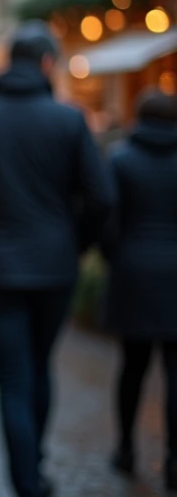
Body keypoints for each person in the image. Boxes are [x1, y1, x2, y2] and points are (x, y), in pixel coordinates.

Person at [0, 20, 113, 497]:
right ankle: (34, 467)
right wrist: (78, 242)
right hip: (55, 261)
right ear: (49, 63)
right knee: (40, 365)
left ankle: (25, 481)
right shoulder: (70, 119)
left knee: (13, 375)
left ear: (9, 61)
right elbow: (101, 198)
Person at [101, 89, 177, 489]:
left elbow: (108, 219)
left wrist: (119, 256)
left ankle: (127, 448)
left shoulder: (122, 158)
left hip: (134, 271)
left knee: (132, 368)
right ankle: (174, 458)